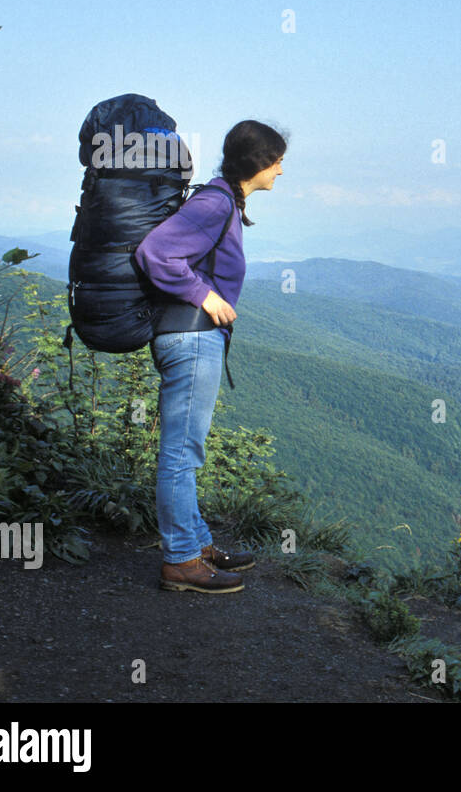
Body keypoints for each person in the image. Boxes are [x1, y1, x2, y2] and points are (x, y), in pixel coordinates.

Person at [134, 120, 287, 594]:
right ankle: (181, 561)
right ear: (258, 163)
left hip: (194, 338)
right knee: (181, 453)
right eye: (278, 160)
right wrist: (204, 295)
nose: (282, 171)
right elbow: (155, 252)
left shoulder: (224, 201)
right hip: (190, 338)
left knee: (187, 449)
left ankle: (196, 544)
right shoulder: (214, 202)